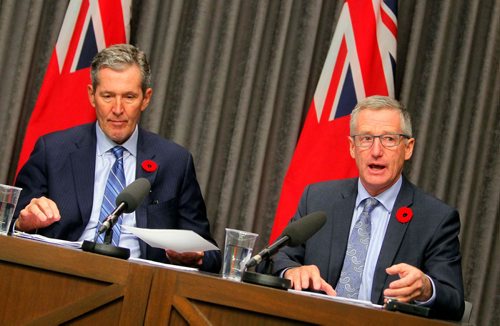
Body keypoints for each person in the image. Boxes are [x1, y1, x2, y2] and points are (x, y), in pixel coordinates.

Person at [13, 44, 221, 273]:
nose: (118, 109)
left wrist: (196, 256)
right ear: (92, 95)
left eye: (129, 97)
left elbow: (210, 253)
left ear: (146, 98)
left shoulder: (175, 162)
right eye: (108, 96)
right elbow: (9, 222)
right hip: (61, 274)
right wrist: (23, 222)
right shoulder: (53, 150)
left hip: (139, 286)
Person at [270, 96, 464, 320]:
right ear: (352, 147)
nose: (376, 151)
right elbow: (280, 257)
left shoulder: (435, 219)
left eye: (389, 139)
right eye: (366, 139)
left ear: (408, 148)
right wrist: (291, 271)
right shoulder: (318, 198)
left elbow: (454, 300)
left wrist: (426, 288)